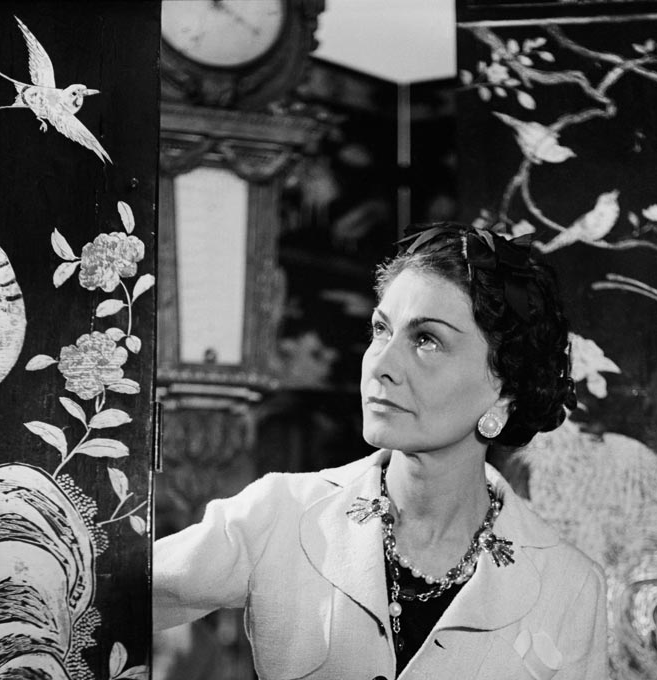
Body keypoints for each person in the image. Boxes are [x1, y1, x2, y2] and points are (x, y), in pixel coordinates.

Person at [154, 222, 608, 680]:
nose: (382, 365)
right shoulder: (280, 514)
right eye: (380, 329)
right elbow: (99, 595)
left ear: (503, 392)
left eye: (426, 339)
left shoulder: (570, 585)